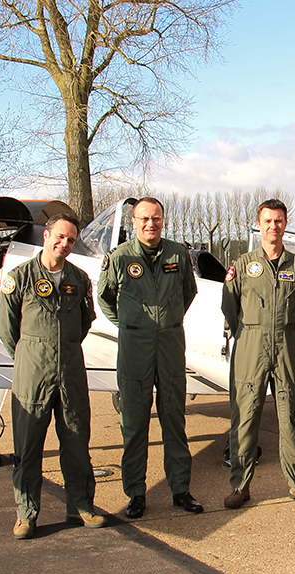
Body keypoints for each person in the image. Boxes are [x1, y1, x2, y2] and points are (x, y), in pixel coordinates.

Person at [0, 214, 104, 540]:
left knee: (75, 441)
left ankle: (81, 506)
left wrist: (63, 348)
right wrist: (34, 352)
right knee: (28, 447)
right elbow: (7, 329)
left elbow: (85, 322)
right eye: (59, 237)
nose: (64, 244)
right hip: (32, 371)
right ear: (46, 236)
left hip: (70, 369)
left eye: (70, 240)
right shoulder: (20, 278)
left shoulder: (79, 279)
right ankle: (26, 514)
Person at [97, 197, 203, 518]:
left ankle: (180, 490)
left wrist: (166, 322)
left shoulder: (177, 254)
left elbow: (188, 292)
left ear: (163, 220)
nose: (150, 224)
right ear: (134, 222)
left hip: (170, 346)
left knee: (174, 420)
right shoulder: (119, 257)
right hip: (135, 349)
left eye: (156, 218)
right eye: (143, 218)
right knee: (133, 422)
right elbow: (104, 298)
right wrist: (133, 325)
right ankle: (136, 493)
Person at [220, 199, 295, 508]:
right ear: (258, 225)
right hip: (250, 345)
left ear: (285, 225)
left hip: (286, 346)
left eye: (278, 221)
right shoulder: (243, 265)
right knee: (245, 417)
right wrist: (250, 331)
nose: (273, 226)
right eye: (267, 221)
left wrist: (284, 331)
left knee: (291, 416)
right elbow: (230, 306)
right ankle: (240, 485)